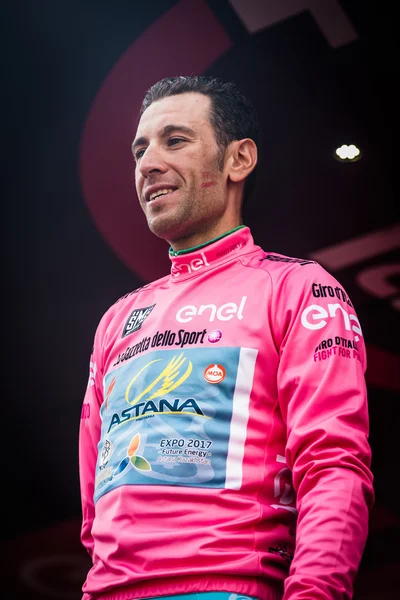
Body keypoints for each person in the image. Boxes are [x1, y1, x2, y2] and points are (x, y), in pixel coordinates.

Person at [79, 75, 374, 600]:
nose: (147, 163)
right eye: (140, 149)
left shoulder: (299, 290)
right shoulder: (115, 320)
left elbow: (334, 467)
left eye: (175, 141)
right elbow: (93, 510)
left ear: (238, 160)